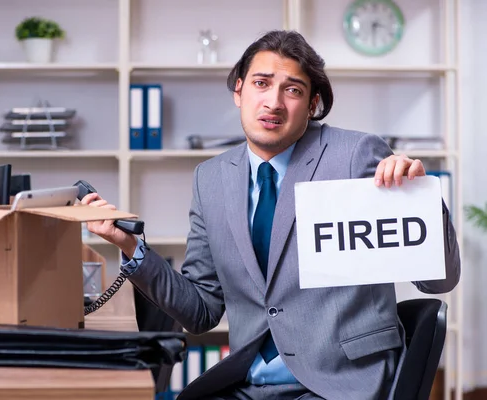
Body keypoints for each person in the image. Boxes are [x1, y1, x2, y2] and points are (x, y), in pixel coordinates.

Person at [82, 30, 460, 400]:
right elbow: (200, 311)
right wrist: (128, 244)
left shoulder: (354, 155)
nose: (274, 102)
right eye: (261, 83)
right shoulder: (211, 178)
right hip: (246, 383)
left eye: (292, 90)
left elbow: (438, 280)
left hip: (340, 382)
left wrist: (418, 200)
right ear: (239, 91)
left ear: (312, 105)